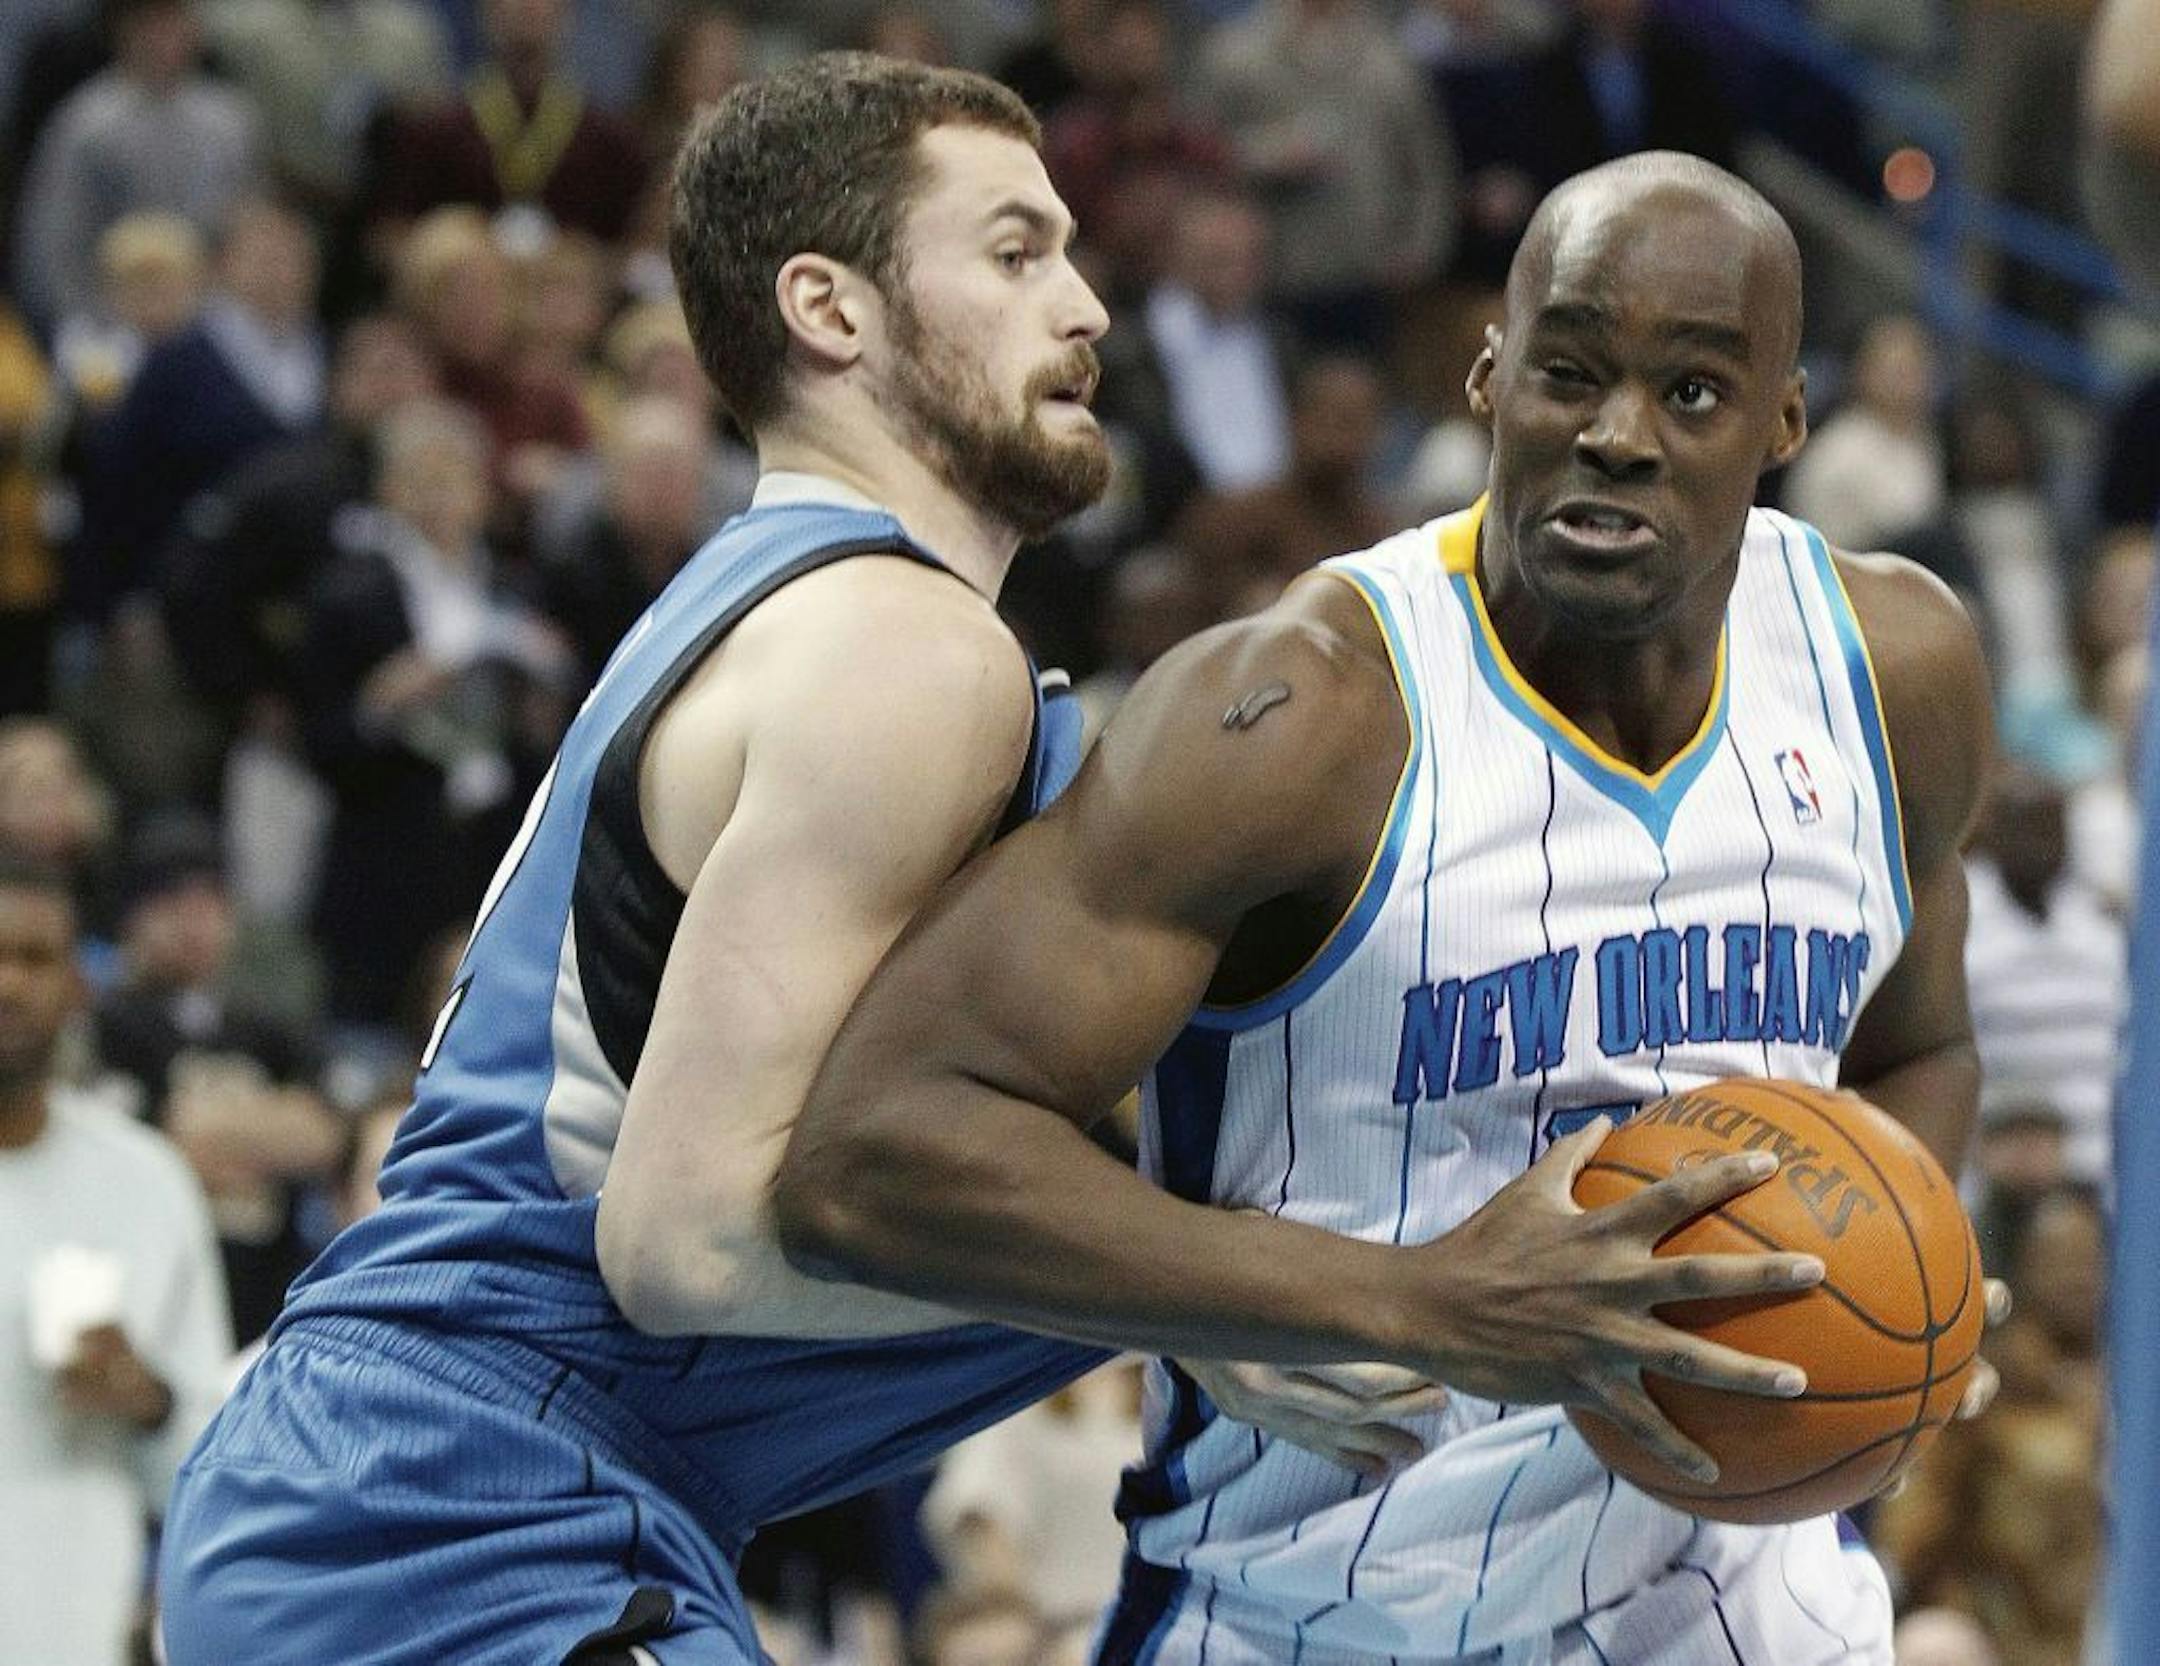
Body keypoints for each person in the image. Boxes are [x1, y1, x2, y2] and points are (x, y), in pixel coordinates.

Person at [155, 54, 1432, 1665]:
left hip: (436, 1482)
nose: (1092, 305)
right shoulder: (901, 647)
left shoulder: (794, 605)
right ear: (830, 309)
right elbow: (681, 1244)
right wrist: (1208, 1295)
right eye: (1017, 251)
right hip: (467, 1498)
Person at [781, 153, 2002, 1663]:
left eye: (1693, 394)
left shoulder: (1895, 671)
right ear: (1490, 377)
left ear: (1786, 422)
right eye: (1570, 373)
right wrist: (1396, 1302)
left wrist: (1900, 1290)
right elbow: (870, 1149)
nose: (1616, 436)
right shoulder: (1299, 718)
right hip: (1319, 1613)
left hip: (1745, 1610)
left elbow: (1920, 1045)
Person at [0, 856, 232, 1666]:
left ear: (78, 984)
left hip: (76, 1626)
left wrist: (149, 1400)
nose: (9, 984)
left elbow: (212, 1464)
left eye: (34, 959)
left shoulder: (144, 1182)